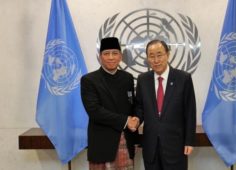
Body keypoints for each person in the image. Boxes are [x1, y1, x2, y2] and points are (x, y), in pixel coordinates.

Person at [134, 39, 197, 170]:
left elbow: (190, 112)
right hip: (151, 147)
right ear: (147, 58)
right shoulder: (143, 79)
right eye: (151, 56)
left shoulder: (183, 78)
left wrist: (189, 141)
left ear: (168, 54)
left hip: (175, 146)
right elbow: (139, 106)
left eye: (159, 54)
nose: (156, 60)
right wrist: (137, 119)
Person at [81, 37, 139, 170]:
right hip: (102, 143)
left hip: (126, 140)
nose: (111, 57)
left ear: (120, 56)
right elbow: (94, 111)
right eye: (106, 54)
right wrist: (126, 121)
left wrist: (136, 119)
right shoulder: (89, 80)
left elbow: (132, 104)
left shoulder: (127, 78)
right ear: (100, 57)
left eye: (115, 53)